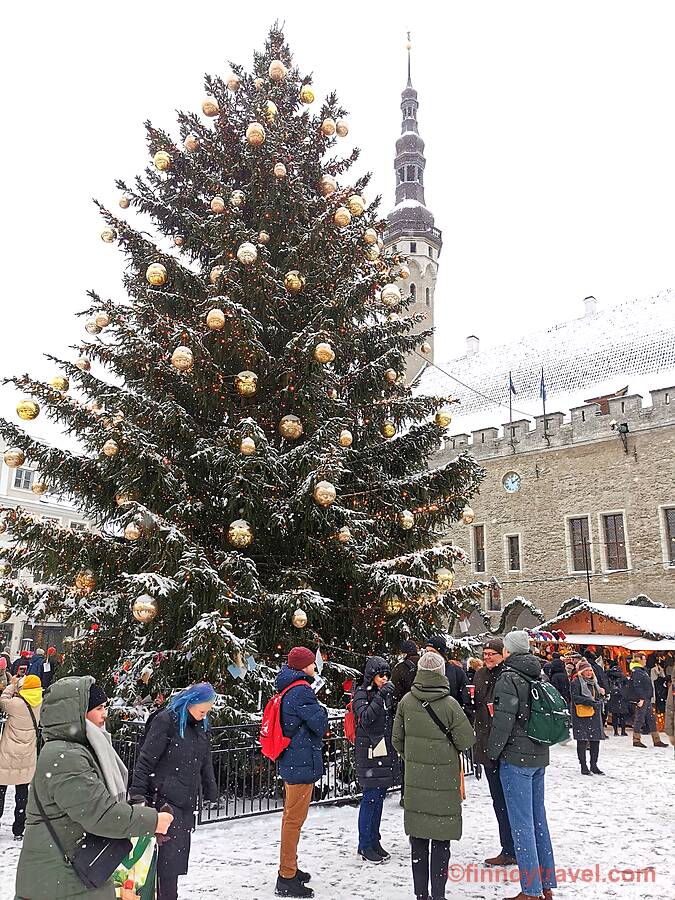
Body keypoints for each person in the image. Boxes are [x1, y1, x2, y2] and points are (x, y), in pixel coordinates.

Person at [15, 676, 171, 899]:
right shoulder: (66, 756)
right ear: (76, 712)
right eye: (99, 708)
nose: (104, 714)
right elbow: (101, 814)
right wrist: (154, 820)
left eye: (105, 707)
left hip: (66, 876)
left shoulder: (75, 750)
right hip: (60, 880)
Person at [393, 651, 475, 900]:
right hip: (444, 783)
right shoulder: (449, 704)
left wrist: (414, 758)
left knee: (418, 840)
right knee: (441, 840)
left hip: (416, 781)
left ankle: (421, 895)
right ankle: (438, 894)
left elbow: (397, 740)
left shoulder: (407, 701)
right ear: (441, 673)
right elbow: (466, 740)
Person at [130, 682, 218, 899]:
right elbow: (146, 759)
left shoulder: (201, 725)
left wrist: (210, 788)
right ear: (190, 703)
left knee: (173, 866)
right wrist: (138, 795)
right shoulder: (166, 721)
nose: (204, 715)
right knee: (161, 867)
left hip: (184, 802)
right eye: (202, 710)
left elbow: (204, 759)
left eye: (207, 711)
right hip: (163, 803)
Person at [487, 630, 556, 900]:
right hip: (538, 754)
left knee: (522, 824)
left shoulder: (508, 677)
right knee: (539, 820)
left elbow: (503, 721)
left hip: (517, 758)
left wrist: (492, 752)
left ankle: (530, 889)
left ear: (509, 651)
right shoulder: (537, 672)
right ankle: (545, 883)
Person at [273, 646, 328, 899]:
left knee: (290, 818)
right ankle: (286, 877)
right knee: (294, 822)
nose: (315, 668)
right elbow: (320, 723)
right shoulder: (301, 692)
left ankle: (290, 868)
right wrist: (322, 709)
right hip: (301, 762)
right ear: (302, 667)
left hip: (292, 760)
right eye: (311, 664)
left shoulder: (288, 688)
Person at [472, 638, 516, 867]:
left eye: (492, 653)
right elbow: (478, 705)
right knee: (498, 800)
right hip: (487, 746)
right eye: (485, 653)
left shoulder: (508, 674)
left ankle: (514, 847)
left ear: (503, 654)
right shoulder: (479, 675)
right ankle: (508, 847)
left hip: (507, 747)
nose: (488, 657)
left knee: (511, 801)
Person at [352, 656, 399, 863]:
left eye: (387, 675)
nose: (385, 679)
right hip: (369, 752)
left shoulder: (383, 695)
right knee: (370, 799)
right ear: (372, 675)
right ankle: (365, 844)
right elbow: (365, 719)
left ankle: (374, 839)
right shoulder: (362, 693)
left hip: (383, 750)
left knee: (379, 799)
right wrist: (380, 697)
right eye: (381, 675)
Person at [0, 673, 42, 840]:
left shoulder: (15, 704)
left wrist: (13, 684)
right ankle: (18, 830)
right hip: (27, 755)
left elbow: (3, 699)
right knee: (22, 795)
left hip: (7, 754)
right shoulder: (39, 704)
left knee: (1, 791)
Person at [570, 659, 606, 775]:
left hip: (594, 714)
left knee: (595, 740)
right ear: (582, 672)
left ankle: (594, 765)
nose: (590, 673)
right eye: (587, 670)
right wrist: (590, 702)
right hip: (581, 714)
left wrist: (601, 696)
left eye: (591, 670)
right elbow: (575, 698)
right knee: (582, 741)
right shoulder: (576, 682)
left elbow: (597, 697)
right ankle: (583, 766)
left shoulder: (594, 682)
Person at [627, 654, 668, 748]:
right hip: (643, 698)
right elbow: (637, 686)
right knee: (640, 718)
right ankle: (636, 740)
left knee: (651, 719)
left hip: (647, 698)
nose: (646, 661)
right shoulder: (637, 671)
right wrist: (640, 698)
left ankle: (656, 740)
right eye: (644, 659)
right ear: (639, 660)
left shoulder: (642, 670)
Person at [425, 635, 472, 717]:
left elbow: (466, 700)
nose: (429, 656)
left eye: (433, 652)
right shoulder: (421, 671)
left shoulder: (456, 672)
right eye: (427, 652)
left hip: (450, 720)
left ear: (441, 654)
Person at [391, 640, 419, 708]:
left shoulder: (400, 668)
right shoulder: (424, 664)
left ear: (405, 654)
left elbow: (395, 692)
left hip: (407, 707)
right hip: (425, 708)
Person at [606, 661, 630, 736]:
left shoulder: (609, 675)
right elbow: (627, 687)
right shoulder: (623, 676)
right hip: (622, 696)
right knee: (622, 715)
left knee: (614, 715)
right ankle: (623, 731)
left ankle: (615, 731)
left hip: (613, 696)